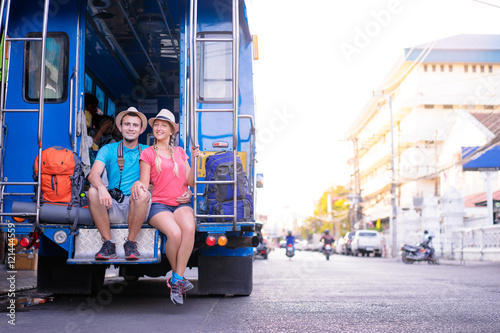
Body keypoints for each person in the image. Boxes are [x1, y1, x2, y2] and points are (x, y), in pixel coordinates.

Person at [131, 108, 200, 306]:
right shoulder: (147, 153)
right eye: (157, 125)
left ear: (171, 131)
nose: (159, 128)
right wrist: (138, 185)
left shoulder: (180, 152)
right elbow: (144, 183)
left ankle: (177, 278)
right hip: (159, 205)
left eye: (164, 125)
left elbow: (190, 181)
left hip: (180, 203)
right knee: (175, 234)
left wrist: (194, 162)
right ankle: (178, 278)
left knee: (188, 228)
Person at [87, 107, 151, 260]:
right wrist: (102, 187)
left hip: (137, 207)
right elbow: (93, 174)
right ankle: (108, 243)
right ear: (120, 127)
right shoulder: (108, 149)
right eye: (127, 124)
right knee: (92, 191)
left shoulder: (148, 151)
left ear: (141, 129)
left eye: (135, 125)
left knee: (143, 192)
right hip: (112, 205)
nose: (131, 128)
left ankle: (130, 242)